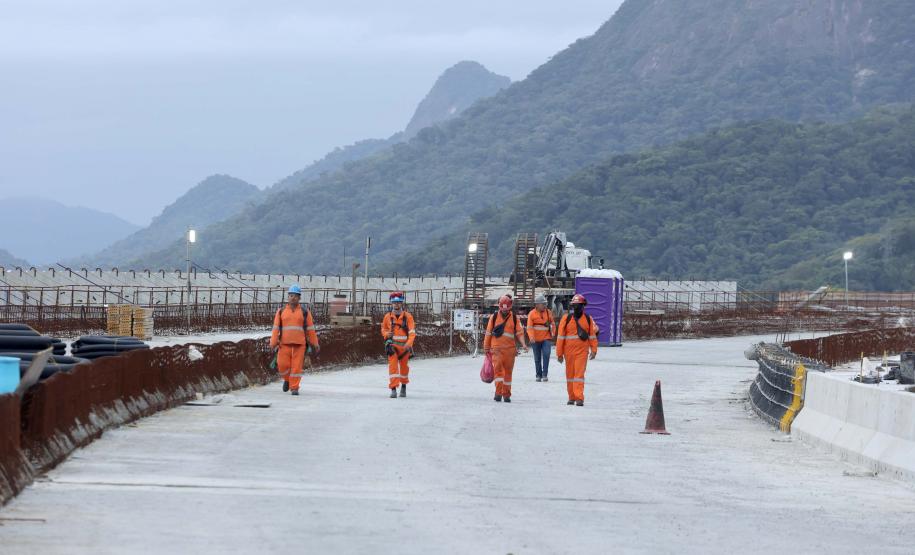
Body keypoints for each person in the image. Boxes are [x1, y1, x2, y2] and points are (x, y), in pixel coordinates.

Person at [270, 284, 319, 396]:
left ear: (299, 298)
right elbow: (275, 328)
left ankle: (294, 388)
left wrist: (315, 343)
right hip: (284, 345)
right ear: (288, 297)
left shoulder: (305, 312)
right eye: (291, 295)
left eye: (296, 296)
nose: (293, 298)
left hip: (300, 345)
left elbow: (310, 329)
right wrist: (273, 342)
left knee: (296, 368)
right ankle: (287, 380)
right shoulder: (281, 311)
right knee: (282, 366)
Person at [484, 295, 528, 403]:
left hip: (509, 351)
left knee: (508, 373)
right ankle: (498, 393)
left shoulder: (514, 318)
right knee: (498, 372)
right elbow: (488, 333)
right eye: (502, 309)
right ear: (499, 307)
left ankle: (506, 394)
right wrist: (486, 347)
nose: (504, 311)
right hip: (497, 349)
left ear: (510, 307)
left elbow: (519, 332)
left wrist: (523, 344)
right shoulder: (494, 317)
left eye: (506, 309)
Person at [555, 294, 598, 407]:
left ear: (583, 306)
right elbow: (560, 337)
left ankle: (579, 398)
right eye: (575, 305)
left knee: (579, 375)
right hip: (568, 352)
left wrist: (594, 350)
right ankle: (571, 397)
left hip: (582, 352)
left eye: (579, 305)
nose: (577, 307)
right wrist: (559, 354)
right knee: (570, 375)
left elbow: (592, 336)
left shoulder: (588, 319)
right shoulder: (566, 318)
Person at [381, 291, 416, 398]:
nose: (396, 304)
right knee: (393, 367)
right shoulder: (387, 317)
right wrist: (386, 334)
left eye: (398, 302)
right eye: (394, 302)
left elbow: (412, 332)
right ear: (392, 303)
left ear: (401, 303)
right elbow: (383, 329)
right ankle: (393, 389)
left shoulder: (408, 317)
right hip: (392, 346)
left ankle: (403, 386)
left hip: (405, 347)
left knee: (404, 368)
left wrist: (409, 344)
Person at [526, 294, 556, 382]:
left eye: (545, 303)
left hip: (546, 338)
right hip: (535, 339)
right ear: (537, 305)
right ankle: (538, 375)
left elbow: (552, 323)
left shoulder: (548, 312)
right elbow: (529, 327)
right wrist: (531, 337)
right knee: (537, 358)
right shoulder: (531, 314)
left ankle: (544, 374)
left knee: (547, 354)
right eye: (543, 304)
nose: (545, 305)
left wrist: (553, 333)